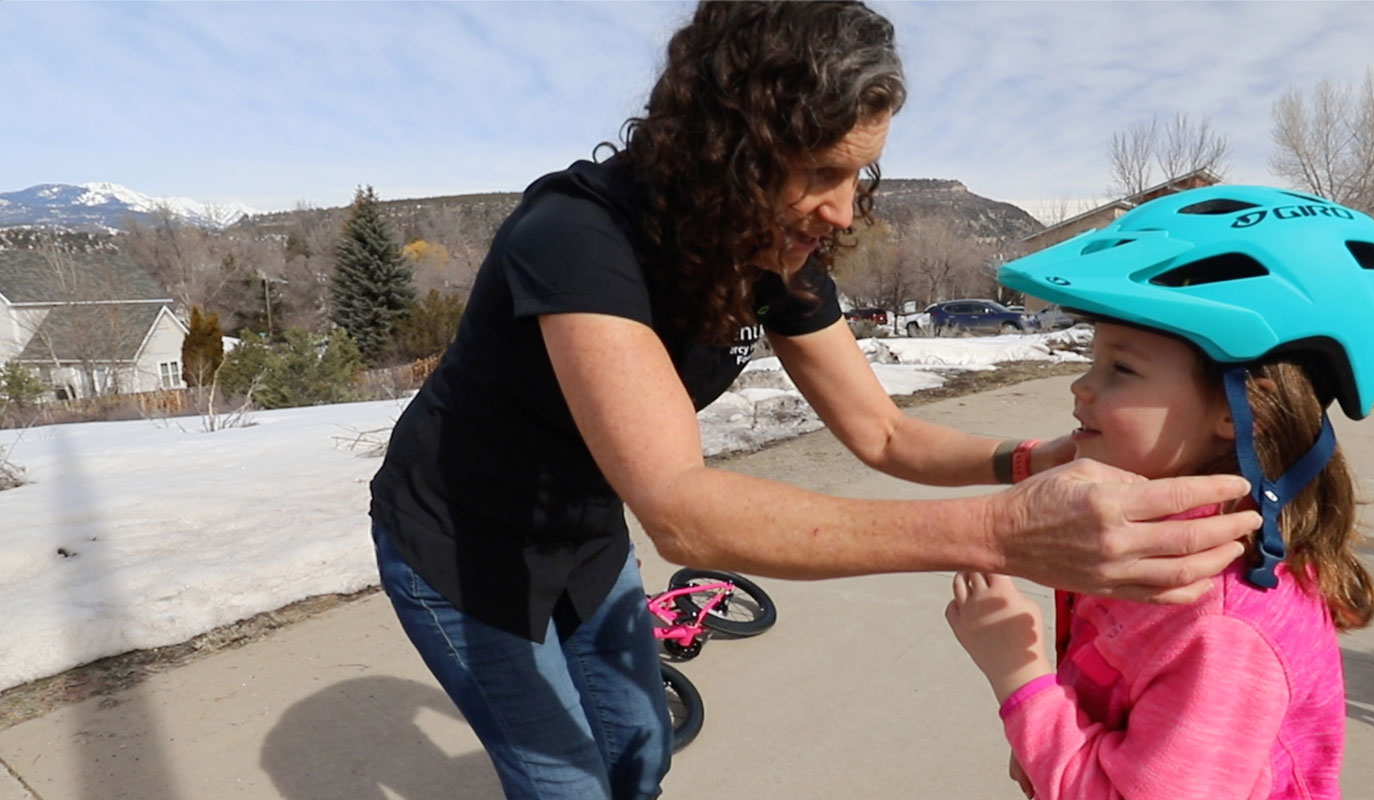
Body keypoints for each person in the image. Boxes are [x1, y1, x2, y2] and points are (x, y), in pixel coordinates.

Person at [367, 4, 1259, 798]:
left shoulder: (768, 250)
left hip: (583, 531)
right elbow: (682, 509)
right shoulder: (576, 238)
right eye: (824, 172)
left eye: (859, 175)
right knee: (565, 782)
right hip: (461, 545)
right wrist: (1008, 531)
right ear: (734, 151)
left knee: (639, 753)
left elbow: (885, 429)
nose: (842, 211)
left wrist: (1035, 460)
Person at [945, 185, 1374, 799]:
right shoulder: (1159, 545)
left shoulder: (1224, 627)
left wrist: (1020, 676)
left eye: (1122, 368)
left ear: (1245, 411)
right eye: (1093, 359)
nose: (1082, 386)